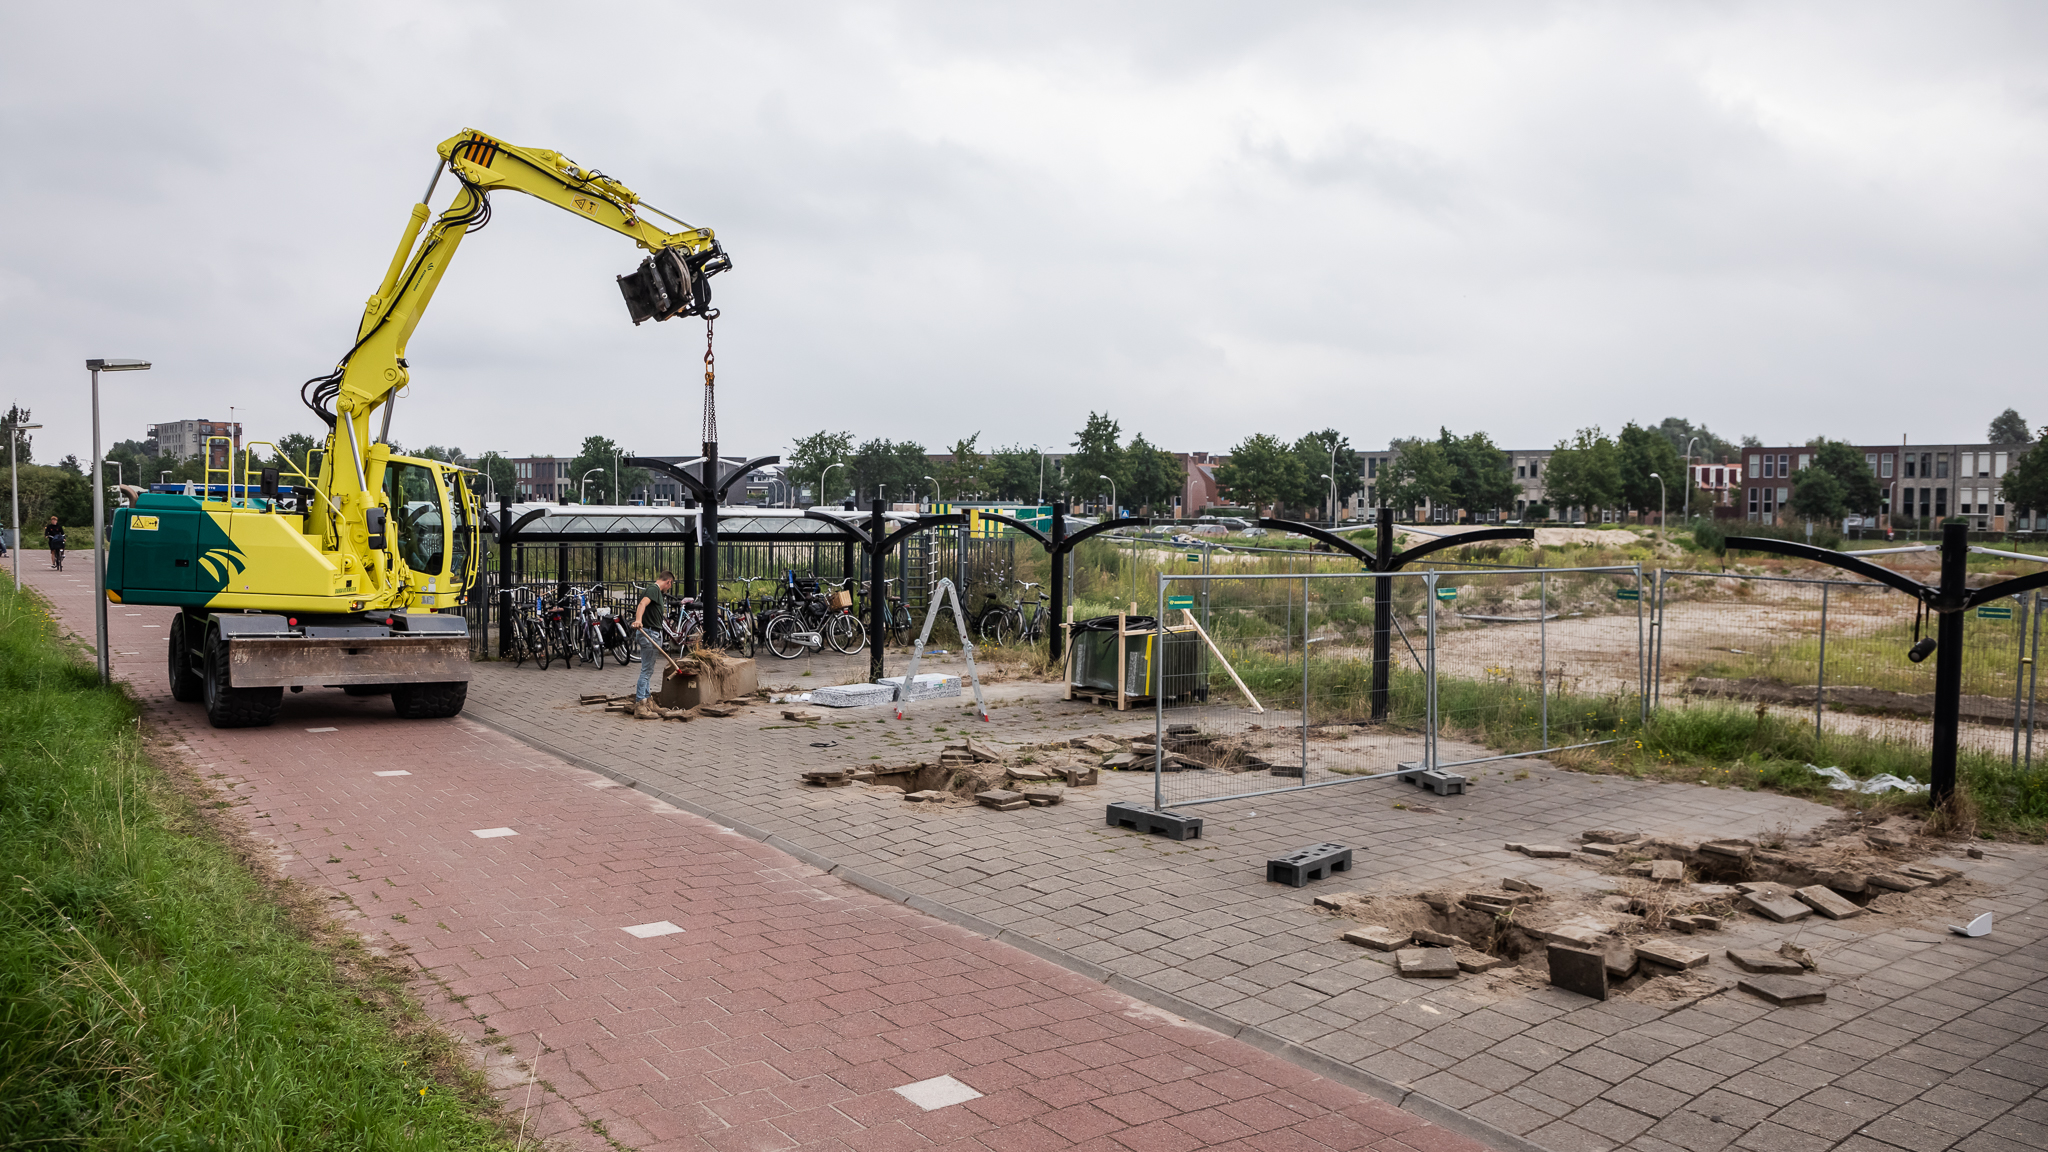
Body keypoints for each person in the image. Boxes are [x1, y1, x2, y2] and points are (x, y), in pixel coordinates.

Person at [631, 570, 675, 717]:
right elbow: (642, 604)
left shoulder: (655, 591)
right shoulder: (653, 589)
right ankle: (640, 706)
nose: (669, 588)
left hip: (653, 633)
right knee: (646, 670)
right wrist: (639, 620)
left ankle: (647, 701)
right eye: (670, 585)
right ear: (668, 581)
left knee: (648, 670)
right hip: (649, 633)